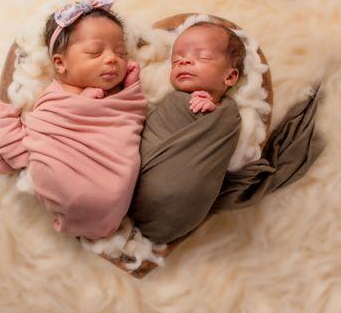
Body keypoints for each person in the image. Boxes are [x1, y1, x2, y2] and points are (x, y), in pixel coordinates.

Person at [0, 0, 147, 254]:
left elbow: (132, 116)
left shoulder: (122, 95)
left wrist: (131, 88)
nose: (112, 59)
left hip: (115, 191)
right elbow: (26, 140)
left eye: (120, 53)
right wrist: (8, 110)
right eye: (96, 52)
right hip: (69, 185)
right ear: (60, 63)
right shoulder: (52, 99)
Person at [128, 20, 324, 245]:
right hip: (131, 192)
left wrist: (213, 110)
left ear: (230, 78)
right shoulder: (171, 101)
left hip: (179, 206)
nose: (184, 61)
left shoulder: (228, 114)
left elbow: (221, 157)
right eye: (176, 60)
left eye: (201, 57)